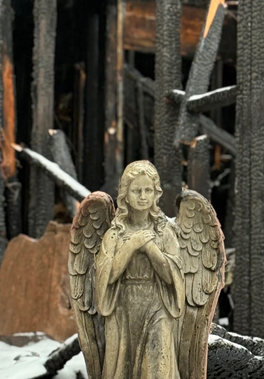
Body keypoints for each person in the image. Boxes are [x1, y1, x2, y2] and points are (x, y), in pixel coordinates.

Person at [94, 161, 185, 379]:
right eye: (136, 191)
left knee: (157, 366)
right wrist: (131, 245)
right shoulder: (115, 234)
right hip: (123, 309)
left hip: (158, 307)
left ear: (156, 194)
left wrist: (150, 248)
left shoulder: (165, 232)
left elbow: (171, 277)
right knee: (124, 369)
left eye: (148, 190)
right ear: (125, 194)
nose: (143, 196)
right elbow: (107, 276)